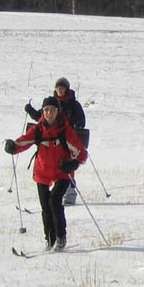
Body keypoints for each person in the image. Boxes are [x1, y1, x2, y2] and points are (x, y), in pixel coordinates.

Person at [4, 96, 88, 251]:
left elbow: (81, 153)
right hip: (42, 171)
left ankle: (61, 239)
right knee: (45, 206)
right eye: (46, 110)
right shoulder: (38, 129)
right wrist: (13, 147)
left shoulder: (65, 130)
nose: (49, 113)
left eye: (52, 110)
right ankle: (50, 240)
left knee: (55, 202)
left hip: (62, 172)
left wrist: (73, 163)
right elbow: (24, 141)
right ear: (43, 112)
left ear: (57, 111)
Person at [25, 77, 87, 205]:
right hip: (52, 140)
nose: (60, 90)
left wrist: (72, 126)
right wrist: (30, 110)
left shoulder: (74, 104)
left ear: (66, 89)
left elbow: (81, 120)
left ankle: (70, 196)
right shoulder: (51, 103)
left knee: (69, 167)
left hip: (68, 139)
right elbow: (41, 117)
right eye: (58, 88)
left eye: (62, 88)